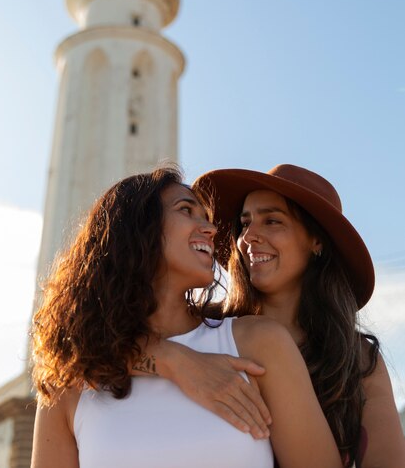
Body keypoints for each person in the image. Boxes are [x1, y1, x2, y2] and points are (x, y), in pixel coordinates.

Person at [30, 166, 343, 468]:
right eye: (186, 210)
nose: (211, 229)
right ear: (136, 228)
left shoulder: (259, 343)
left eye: (206, 217)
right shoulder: (68, 379)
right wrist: (176, 362)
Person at [136, 165, 405, 468]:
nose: (249, 236)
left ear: (316, 241)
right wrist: (172, 360)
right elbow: (94, 350)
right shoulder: (207, 330)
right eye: (245, 222)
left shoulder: (357, 359)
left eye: (272, 221)